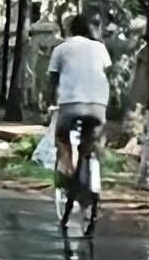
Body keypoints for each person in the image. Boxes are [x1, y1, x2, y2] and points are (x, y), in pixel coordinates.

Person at [45, 14, 113, 183]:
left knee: (61, 137)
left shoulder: (61, 48)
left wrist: (48, 102)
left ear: (70, 29)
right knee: (90, 141)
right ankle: (88, 169)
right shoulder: (100, 48)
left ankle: (68, 173)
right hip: (98, 103)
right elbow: (108, 72)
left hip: (71, 103)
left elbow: (52, 81)